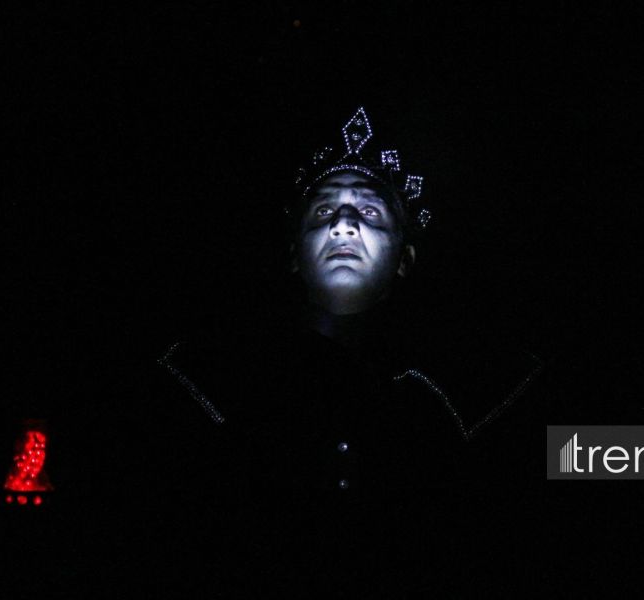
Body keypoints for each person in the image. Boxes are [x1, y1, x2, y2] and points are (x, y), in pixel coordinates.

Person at [118, 107, 545, 596]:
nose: (343, 224)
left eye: (369, 212)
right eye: (323, 211)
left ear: (404, 259)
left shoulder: (474, 394)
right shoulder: (205, 380)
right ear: (293, 254)